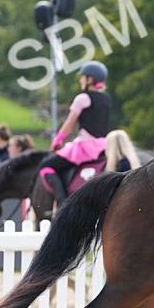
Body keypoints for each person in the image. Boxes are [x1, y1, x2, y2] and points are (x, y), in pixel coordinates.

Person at [38, 61, 112, 207]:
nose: (80, 80)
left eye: (82, 77)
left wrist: (57, 140)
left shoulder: (82, 98)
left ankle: (62, 203)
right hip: (104, 145)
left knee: (46, 165)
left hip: (85, 148)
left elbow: (69, 125)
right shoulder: (106, 98)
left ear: (90, 79)